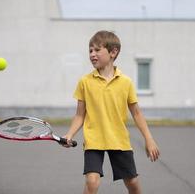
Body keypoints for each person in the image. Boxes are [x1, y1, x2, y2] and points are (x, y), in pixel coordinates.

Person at [62, 30, 160, 194]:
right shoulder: (84, 82)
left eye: (97, 50)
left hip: (119, 139)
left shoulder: (126, 82)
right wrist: (69, 134)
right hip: (94, 140)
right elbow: (80, 114)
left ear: (113, 52)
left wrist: (149, 139)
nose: (92, 54)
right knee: (92, 182)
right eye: (90, 50)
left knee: (133, 182)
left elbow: (137, 114)